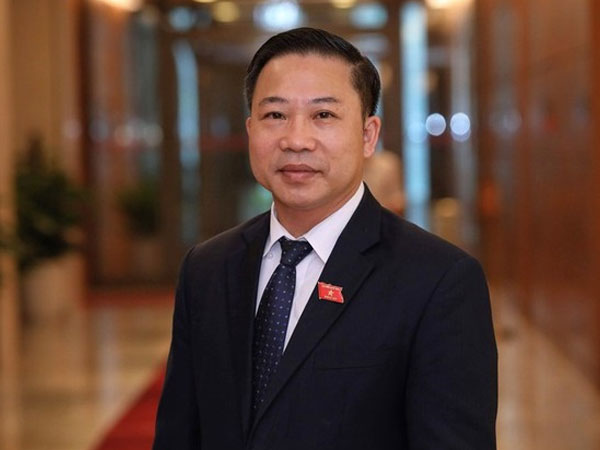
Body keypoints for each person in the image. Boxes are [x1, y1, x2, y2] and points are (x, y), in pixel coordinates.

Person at [153, 27, 497, 450]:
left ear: (368, 135)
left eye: (323, 115)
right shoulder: (206, 268)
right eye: (275, 115)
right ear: (250, 129)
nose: (296, 140)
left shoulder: (439, 281)